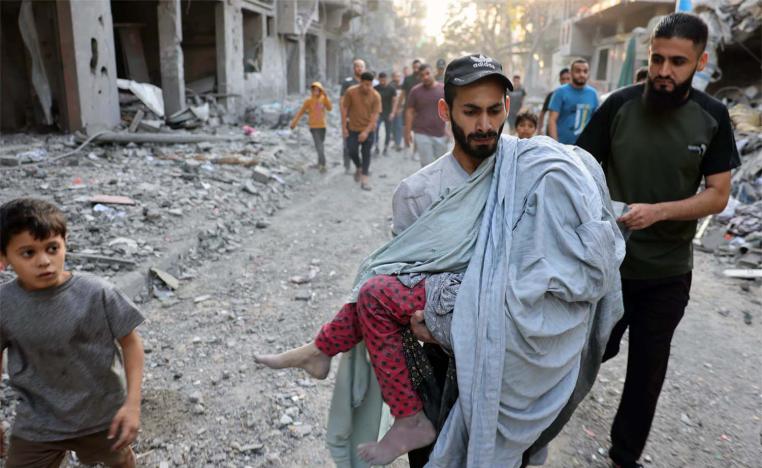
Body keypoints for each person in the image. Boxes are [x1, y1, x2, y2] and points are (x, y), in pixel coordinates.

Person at [291, 54, 622, 468]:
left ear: (507, 107)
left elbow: (566, 273)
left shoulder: (535, 175)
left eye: (494, 110)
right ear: (446, 111)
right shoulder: (417, 193)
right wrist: (445, 325)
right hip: (438, 371)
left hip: (516, 373)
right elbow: (409, 288)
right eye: (471, 111)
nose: (484, 125)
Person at [576, 12, 740, 468]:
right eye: (657, 58)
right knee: (592, 350)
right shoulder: (618, 106)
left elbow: (719, 195)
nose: (664, 72)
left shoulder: (713, 117)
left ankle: (624, 456)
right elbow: (577, 171)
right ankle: (540, 424)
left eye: (678, 62)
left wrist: (660, 212)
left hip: (668, 271)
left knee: (647, 372)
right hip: (608, 267)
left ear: (701, 61)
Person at [0, 198, 145, 468]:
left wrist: (132, 405)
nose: (44, 261)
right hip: (38, 422)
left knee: (118, 463)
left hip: (101, 417)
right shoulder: (4, 305)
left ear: (65, 243)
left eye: (52, 248)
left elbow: (131, 342)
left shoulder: (97, 293)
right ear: (3, 258)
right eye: (28, 253)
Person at [342, 71, 381, 191]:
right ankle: (358, 167)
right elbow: (344, 109)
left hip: (368, 130)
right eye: (364, 84)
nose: (367, 87)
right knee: (351, 150)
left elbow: (375, 116)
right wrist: (344, 127)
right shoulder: (351, 92)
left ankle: (365, 180)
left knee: (366, 153)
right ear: (360, 82)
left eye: (369, 85)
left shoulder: (375, 96)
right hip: (353, 128)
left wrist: (366, 132)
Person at [405, 64, 448, 167]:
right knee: (426, 165)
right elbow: (409, 112)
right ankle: (428, 183)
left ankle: (440, 183)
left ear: (433, 72)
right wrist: (407, 132)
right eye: (422, 75)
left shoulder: (444, 89)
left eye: (427, 73)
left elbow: (452, 109)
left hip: (441, 133)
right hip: (422, 132)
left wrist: (451, 130)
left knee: (442, 165)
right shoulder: (415, 91)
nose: (425, 77)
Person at [547, 58, 598, 144]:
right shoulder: (560, 92)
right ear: (571, 73)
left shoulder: (593, 94)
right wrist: (556, 145)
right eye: (578, 71)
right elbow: (552, 120)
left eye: (585, 71)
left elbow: (596, 121)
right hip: (563, 146)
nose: (582, 74)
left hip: (585, 147)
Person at [290, 81, 333, 172]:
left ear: (321, 91)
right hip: (313, 127)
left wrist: (326, 96)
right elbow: (301, 112)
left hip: (322, 126)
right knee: (319, 146)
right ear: (312, 91)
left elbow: (330, 108)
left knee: (320, 146)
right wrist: (294, 122)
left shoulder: (323, 99)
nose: (316, 92)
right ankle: (323, 165)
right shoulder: (308, 101)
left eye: (318, 90)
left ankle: (319, 163)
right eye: (314, 90)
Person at [341, 58, 366, 174]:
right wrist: (343, 117)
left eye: (361, 66)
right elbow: (342, 101)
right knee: (348, 143)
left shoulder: (367, 82)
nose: (359, 68)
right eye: (357, 66)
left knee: (364, 144)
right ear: (353, 68)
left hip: (363, 118)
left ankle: (360, 167)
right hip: (349, 117)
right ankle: (347, 166)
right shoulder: (347, 83)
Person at [395, 59, 422, 150]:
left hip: (420, 109)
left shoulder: (423, 79)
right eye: (414, 67)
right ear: (412, 67)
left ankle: (415, 151)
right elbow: (402, 94)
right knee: (406, 128)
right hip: (408, 107)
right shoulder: (407, 79)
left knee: (418, 130)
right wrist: (398, 107)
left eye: (418, 67)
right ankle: (407, 146)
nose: (416, 69)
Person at [538, 68, 571, 134]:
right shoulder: (553, 95)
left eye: (568, 79)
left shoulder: (577, 96)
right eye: (563, 79)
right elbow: (542, 113)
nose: (565, 81)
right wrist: (540, 130)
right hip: (553, 132)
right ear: (560, 80)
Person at [374, 72, 398, 156]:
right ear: (379, 79)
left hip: (388, 113)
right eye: (381, 80)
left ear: (386, 79)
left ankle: (385, 148)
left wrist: (393, 113)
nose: (382, 82)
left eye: (384, 80)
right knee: (375, 130)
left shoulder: (391, 88)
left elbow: (395, 101)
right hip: (378, 113)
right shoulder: (375, 88)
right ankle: (376, 146)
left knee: (388, 132)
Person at [390, 71, 405, 150]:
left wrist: (401, 108)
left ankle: (398, 143)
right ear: (393, 77)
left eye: (399, 76)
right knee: (393, 127)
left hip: (400, 109)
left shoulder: (403, 86)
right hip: (391, 109)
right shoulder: (391, 86)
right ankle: (395, 142)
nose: (397, 78)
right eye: (396, 76)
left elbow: (404, 99)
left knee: (399, 126)